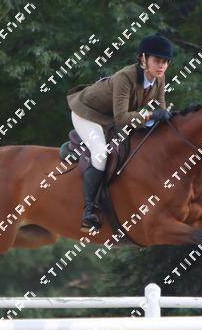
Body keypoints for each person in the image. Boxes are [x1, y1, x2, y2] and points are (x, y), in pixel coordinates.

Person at [66, 32, 173, 232]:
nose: (162, 66)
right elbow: (122, 119)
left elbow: (161, 111)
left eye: (165, 62)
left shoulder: (159, 79)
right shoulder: (126, 77)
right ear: (143, 59)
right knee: (100, 154)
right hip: (87, 113)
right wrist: (150, 115)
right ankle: (89, 211)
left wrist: (167, 118)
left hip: (109, 117)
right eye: (157, 60)